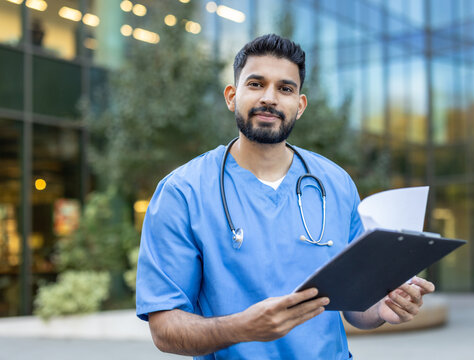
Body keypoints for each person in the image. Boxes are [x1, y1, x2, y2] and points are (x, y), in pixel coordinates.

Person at [136, 34, 435, 359]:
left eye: (285, 88)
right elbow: (164, 328)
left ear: (300, 105)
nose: (270, 98)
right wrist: (242, 328)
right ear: (231, 96)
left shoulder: (335, 183)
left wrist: (384, 307)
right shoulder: (182, 192)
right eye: (255, 84)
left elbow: (356, 309)